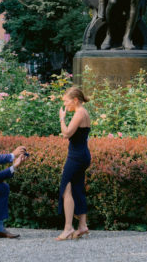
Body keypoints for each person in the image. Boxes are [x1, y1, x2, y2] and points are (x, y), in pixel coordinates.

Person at [56, 87, 92, 241]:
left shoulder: (79, 113)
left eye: (67, 101)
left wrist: (62, 118)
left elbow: (66, 133)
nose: (65, 104)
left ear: (76, 100)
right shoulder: (83, 113)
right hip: (81, 155)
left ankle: (68, 228)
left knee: (66, 189)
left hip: (76, 157)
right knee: (77, 189)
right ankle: (82, 226)